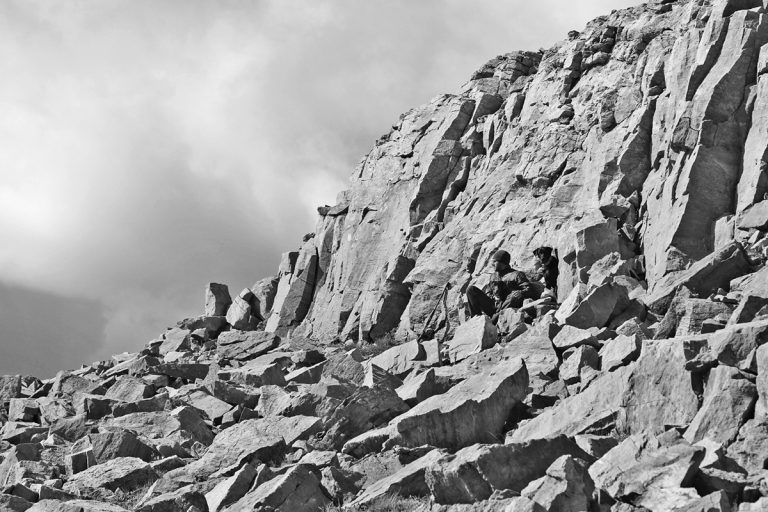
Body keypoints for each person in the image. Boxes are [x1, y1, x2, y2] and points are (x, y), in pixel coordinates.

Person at [466, 249, 533, 321]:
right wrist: (491, 296)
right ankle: (476, 319)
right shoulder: (493, 276)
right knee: (471, 290)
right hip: (494, 306)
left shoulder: (516, 274)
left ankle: (496, 318)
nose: (492, 264)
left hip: (507, 306)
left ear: (503, 263)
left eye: (495, 261)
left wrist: (521, 292)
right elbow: (489, 291)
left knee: (514, 295)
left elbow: (528, 288)